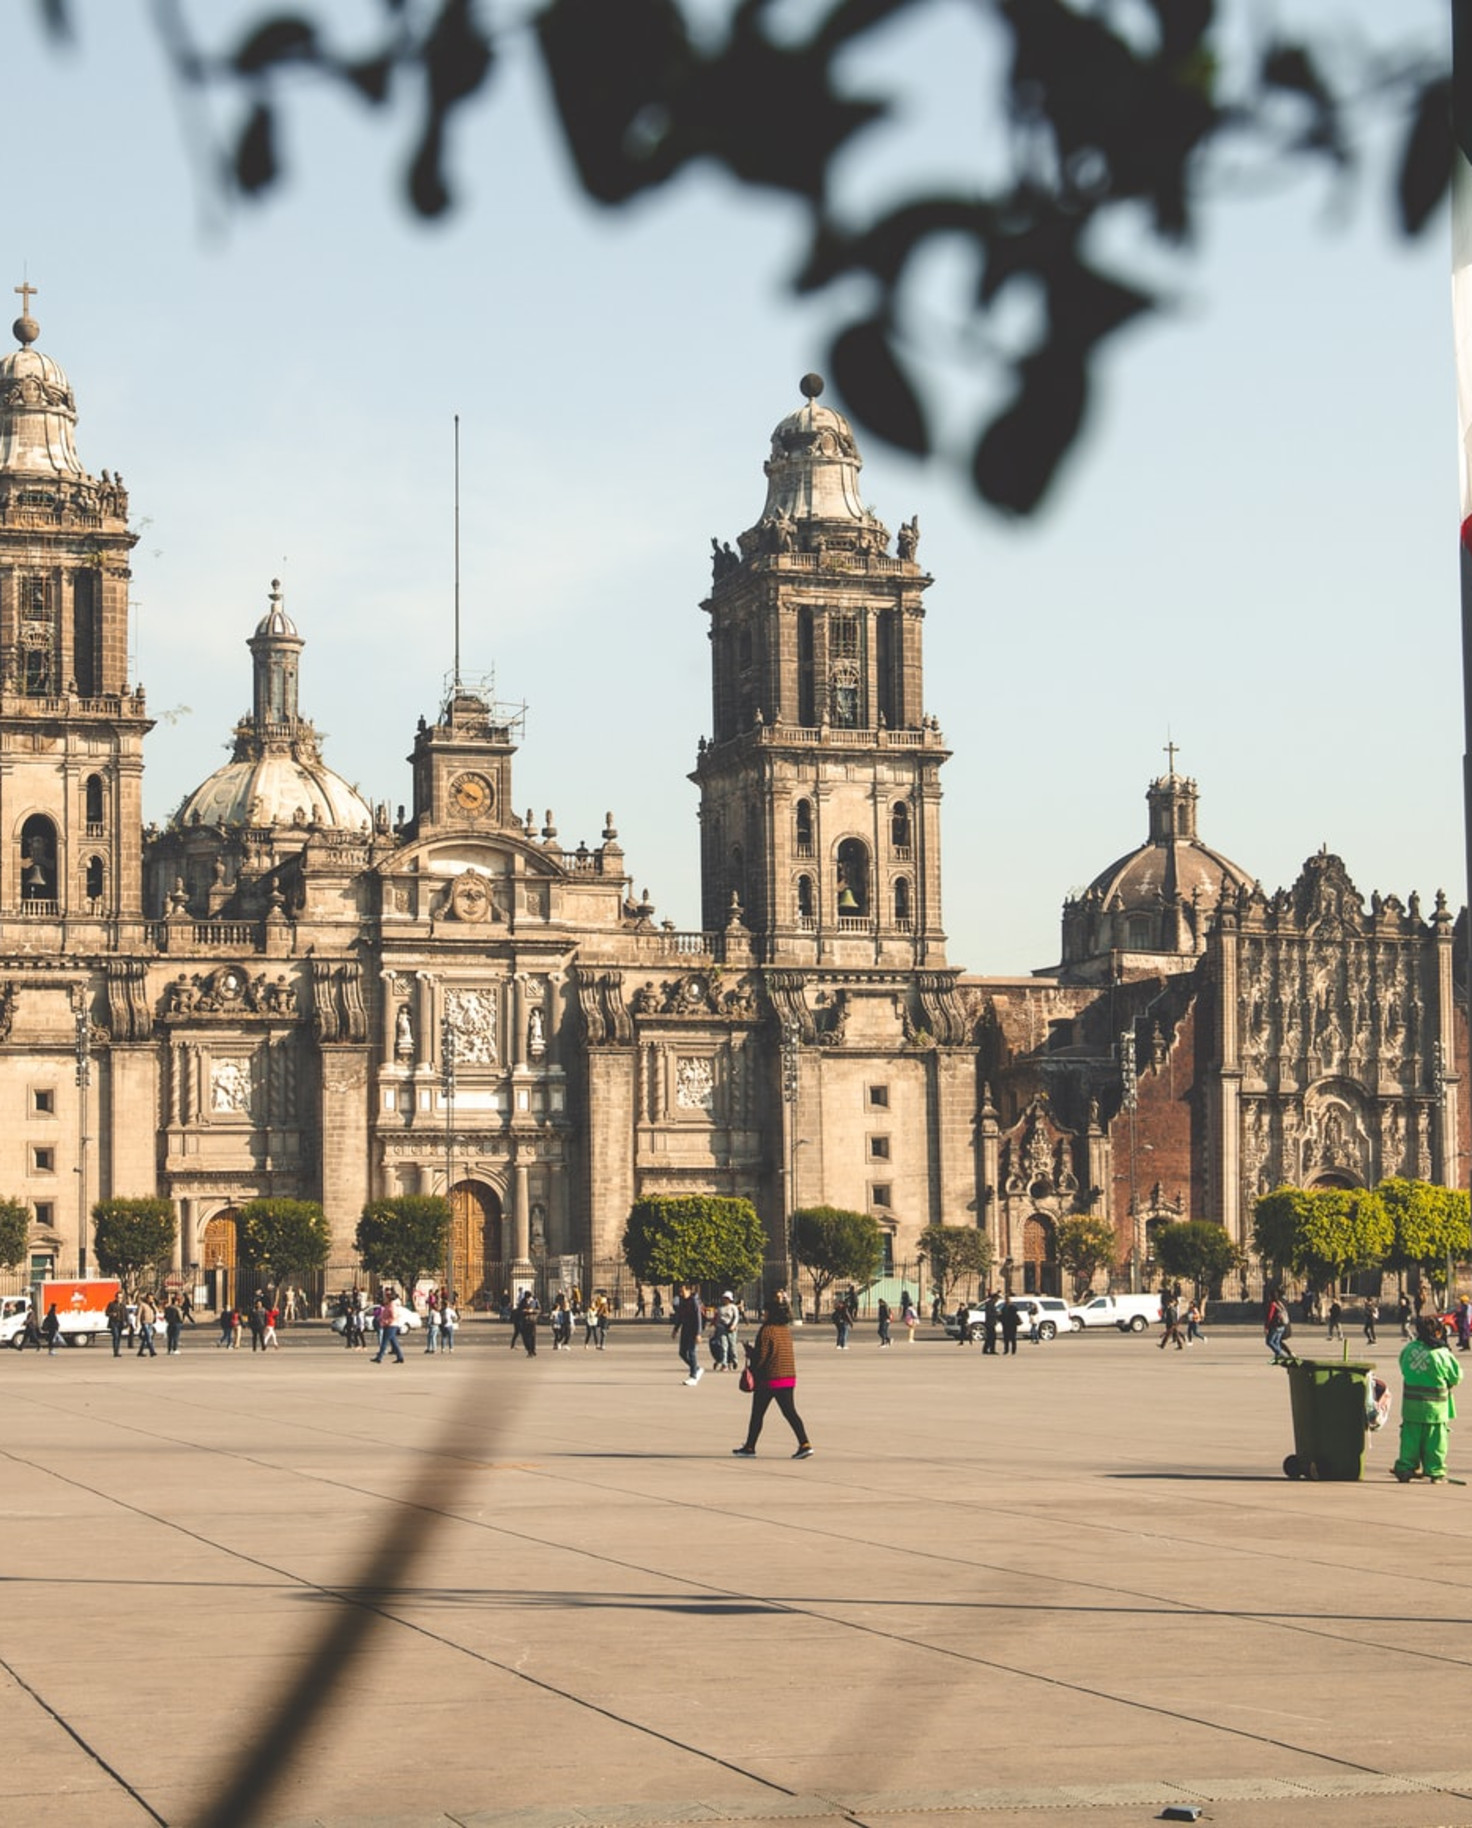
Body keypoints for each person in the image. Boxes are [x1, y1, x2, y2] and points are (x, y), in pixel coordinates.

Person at [732, 1292, 812, 1459]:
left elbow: (762, 1356)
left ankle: (750, 1447)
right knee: (790, 1412)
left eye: (765, 1311)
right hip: (788, 1377)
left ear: (771, 1313)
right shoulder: (784, 1330)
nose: (763, 1314)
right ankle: (804, 1443)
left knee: (757, 1414)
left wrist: (751, 1357)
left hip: (770, 1379)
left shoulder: (766, 1330)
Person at [1393, 1315, 1463, 1483]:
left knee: (1410, 1440)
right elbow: (1456, 1377)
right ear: (1438, 1333)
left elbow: (1403, 1368)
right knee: (1436, 1442)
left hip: (1411, 1407)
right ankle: (1435, 1471)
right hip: (1436, 1408)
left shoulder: (1409, 1349)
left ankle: (1405, 1469)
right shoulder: (1442, 1353)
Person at [673, 1283, 703, 1384]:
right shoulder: (682, 1301)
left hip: (693, 1330)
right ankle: (696, 1368)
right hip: (685, 1329)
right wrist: (676, 1329)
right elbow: (680, 1316)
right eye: (680, 1291)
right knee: (682, 1353)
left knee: (691, 1352)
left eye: (683, 1291)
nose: (681, 1293)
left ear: (689, 1290)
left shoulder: (694, 1301)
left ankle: (693, 1376)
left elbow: (698, 1318)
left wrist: (698, 1333)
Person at [372, 1288, 406, 1364]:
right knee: (394, 1342)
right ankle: (400, 1357)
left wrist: (387, 1321)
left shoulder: (392, 1305)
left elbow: (394, 1315)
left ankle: (379, 1357)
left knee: (384, 1341)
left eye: (386, 1296)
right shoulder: (389, 1304)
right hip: (390, 1325)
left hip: (391, 1325)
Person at [712, 1291, 740, 1368]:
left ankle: (734, 1360)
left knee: (732, 1345)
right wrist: (715, 1325)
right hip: (722, 1328)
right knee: (723, 1346)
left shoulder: (733, 1307)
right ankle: (724, 1363)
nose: (724, 1300)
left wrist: (733, 1325)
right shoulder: (720, 1308)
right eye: (724, 1298)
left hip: (731, 1328)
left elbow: (736, 1317)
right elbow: (718, 1318)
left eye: (726, 1298)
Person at [1264, 1290, 1290, 1362]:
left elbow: (1270, 1317)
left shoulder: (1273, 1304)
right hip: (1282, 1325)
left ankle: (1281, 1354)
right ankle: (1278, 1357)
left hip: (1275, 1326)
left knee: (1269, 1342)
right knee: (1277, 1342)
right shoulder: (1280, 1303)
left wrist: (1266, 1327)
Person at [135, 1293, 158, 1358]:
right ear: (147, 1298)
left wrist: (153, 1305)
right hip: (144, 1322)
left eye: (152, 1298)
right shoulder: (142, 1305)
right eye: (150, 1298)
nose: (151, 1300)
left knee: (145, 1338)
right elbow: (138, 1314)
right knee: (148, 1336)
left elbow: (157, 1311)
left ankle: (140, 1352)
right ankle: (152, 1351)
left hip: (151, 1323)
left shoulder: (151, 1305)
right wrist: (137, 1322)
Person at [106, 1293, 127, 1357]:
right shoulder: (111, 1304)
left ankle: (117, 1350)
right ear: (116, 1297)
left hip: (120, 1323)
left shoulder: (123, 1305)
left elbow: (126, 1314)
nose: (119, 1299)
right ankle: (115, 1352)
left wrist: (127, 1322)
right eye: (118, 1297)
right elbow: (106, 1313)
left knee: (119, 1337)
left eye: (121, 1297)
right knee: (116, 1336)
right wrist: (112, 1314)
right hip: (114, 1323)